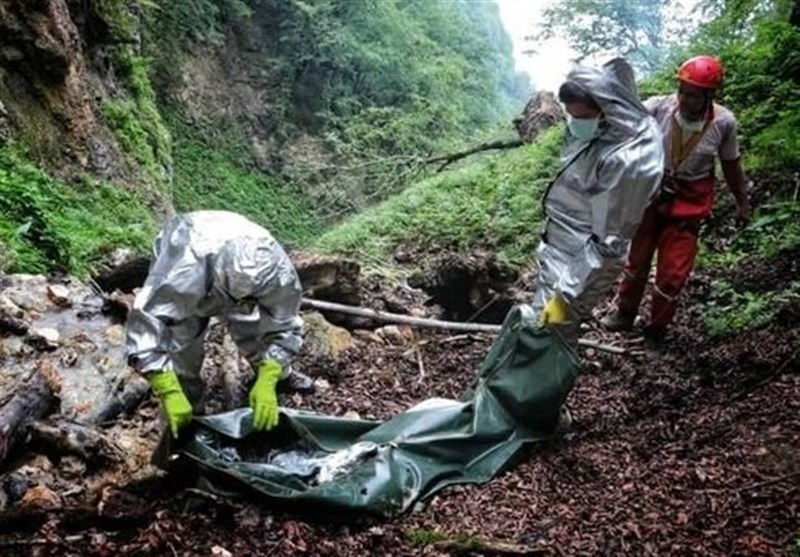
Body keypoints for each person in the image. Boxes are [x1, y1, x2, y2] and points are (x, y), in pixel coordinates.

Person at [601, 55, 752, 345]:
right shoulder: (659, 107)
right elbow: (624, 117)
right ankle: (625, 312)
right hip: (651, 195)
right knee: (637, 260)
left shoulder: (723, 123)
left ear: (709, 96)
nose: (684, 99)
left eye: (693, 95)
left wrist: (742, 202)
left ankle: (656, 330)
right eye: (682, 91)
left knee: (672, 274)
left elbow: (731, 165)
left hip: (689, 204)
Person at [125, 210, 313, 439]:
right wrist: (168, 389)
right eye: (237, 299)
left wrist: (269, 376)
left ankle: (279, 378)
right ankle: (188, 421)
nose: (240, 305)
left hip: (226, 255)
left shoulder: (277, 271)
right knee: (182, 350)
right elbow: (147, 328)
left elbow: (285, 326)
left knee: (255, 330)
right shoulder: (183, 269)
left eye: (249, 300)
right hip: (192, 262)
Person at [534, 57, 664, 338]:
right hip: (561, 248)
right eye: (571, 115)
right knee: (544, 327)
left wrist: (563, 298)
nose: (575, 123)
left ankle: (538, 376)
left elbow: (608, 246)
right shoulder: (602, 134)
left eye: (581, 117)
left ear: (606, 110)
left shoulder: (630, 159)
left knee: (548, 329)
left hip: (579, 266)